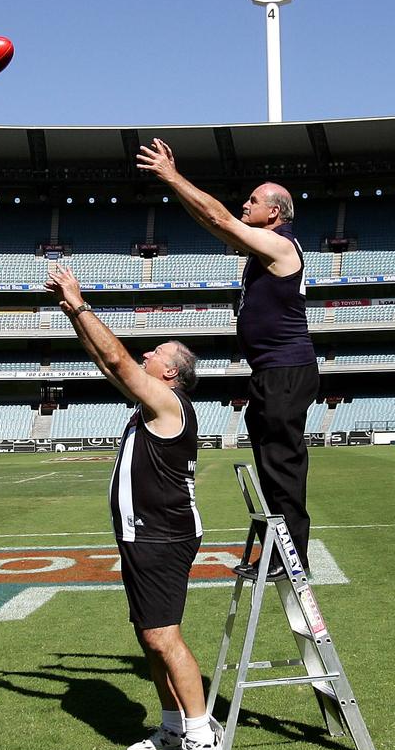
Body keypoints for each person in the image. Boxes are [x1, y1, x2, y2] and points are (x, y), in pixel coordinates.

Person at [45, 266, 221, 750]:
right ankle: (171, 728)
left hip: (163, 537)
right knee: (149, 637)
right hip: (142, 536)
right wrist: (73, 318)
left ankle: (200, 737)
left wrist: (80, 303)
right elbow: (108, 363)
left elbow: (119, 359)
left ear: (171, 373)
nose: (147, 355)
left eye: (157, 355)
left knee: (166, 638)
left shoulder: (169, 403)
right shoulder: (152, 404)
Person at [137, 139, 319, 580]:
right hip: (270, 373)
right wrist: (177, 190)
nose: (245, 203)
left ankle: (292, 558)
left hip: (285, 372)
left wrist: (171, 176)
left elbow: (219, 216)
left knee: (282, 466)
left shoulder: (281, 247)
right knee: (271, 466)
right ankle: (279, 550)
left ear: (274, 212)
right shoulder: (259, 248)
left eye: (253, 200)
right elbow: (213, 221)